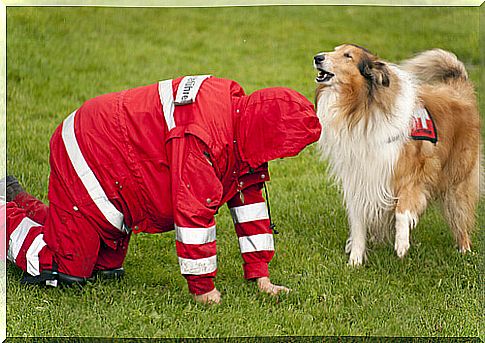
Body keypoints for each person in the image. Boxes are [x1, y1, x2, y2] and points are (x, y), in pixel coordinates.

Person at [5, 75, 321, 304]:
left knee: (106, 267)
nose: (280, 157)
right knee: (66, 271)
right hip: (91, 149)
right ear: (268, 133)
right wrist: (203, 289)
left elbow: (248, 198)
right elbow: (193, 215)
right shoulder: (202, 136)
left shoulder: (241, 124)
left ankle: (17, 199)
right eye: (282, 149)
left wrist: (260, 275)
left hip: (118, 161)